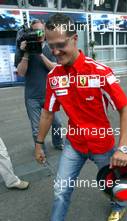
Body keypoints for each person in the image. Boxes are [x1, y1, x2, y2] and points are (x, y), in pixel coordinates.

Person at [33, 13, 127, 221]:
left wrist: (123, 146)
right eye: (50, 46)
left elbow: (125, 109)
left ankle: (119, 206)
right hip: (74, 145)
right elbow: (47, 113)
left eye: (60, 45)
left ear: (75, 39)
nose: (55, 52)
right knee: (61, 188)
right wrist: (39, 143)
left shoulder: (100, 72)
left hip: (103, 146)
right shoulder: (54, 78)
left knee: (110, 184)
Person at [15, 19, 64, 150]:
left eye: (42, 31)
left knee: (57, 124)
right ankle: (40, 150)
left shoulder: (50, 47)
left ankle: (58, 143)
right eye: (36, 31)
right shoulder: (23, 49)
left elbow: (55, 68)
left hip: (49, 95)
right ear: (31, 32)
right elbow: (20, 73)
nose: (40, 33)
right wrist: (25, 54)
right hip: (32, 97)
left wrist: (40, 53)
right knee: (36, 128)